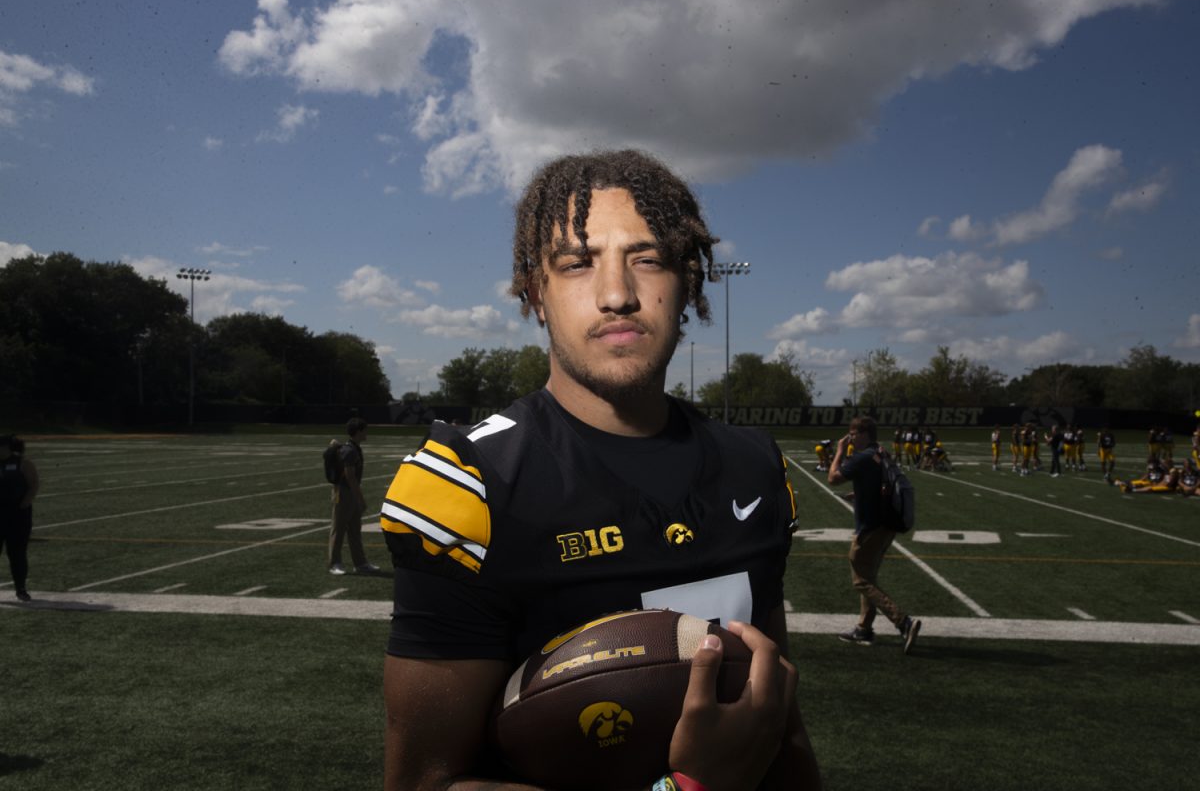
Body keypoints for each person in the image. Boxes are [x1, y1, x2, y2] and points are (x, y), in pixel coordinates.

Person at [378, 150, 820, 790]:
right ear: (536, 292)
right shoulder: (467, 482)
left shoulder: (755, 467)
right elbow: (428, 782)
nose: (618, 295)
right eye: (577, 263)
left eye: (647, 259)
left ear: (687, 283)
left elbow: (779, 721)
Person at [827, 416, 921, 654]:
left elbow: (833, 478)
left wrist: (838, 451)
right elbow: (881, 485)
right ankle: (864, 628)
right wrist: (859, 495)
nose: (850, 438)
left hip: (871, 526)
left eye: (853, 434)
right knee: (869, 577)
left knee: (860, 579)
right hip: (885, 523)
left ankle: (903, 622)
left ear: (865, 434)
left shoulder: (862, 457)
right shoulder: (880, 453)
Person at [328, 417, 378, 576]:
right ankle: (334, 563)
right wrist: (360, 498)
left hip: (350, 492)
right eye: (365, 430)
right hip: (344, 492)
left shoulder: (353, 448)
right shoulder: (350, 450)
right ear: (358, 431)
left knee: (355, 530)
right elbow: (350, 477)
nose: (367, 433)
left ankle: (360, 563)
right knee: (339, 528)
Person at [1, 435, 39, 601]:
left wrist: (23, 505)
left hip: (17, 515)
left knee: (17, 553)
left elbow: (33, 485)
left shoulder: (23, 463)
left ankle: (21, 588)